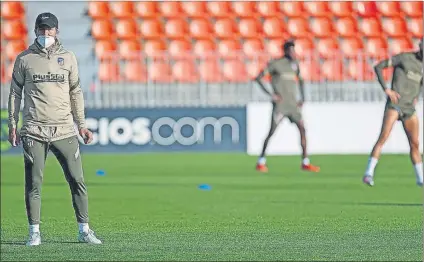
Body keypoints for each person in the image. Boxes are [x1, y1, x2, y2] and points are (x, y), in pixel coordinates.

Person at [7, 12, 102, 246]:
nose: (45, 33)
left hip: (64, 130)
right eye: (41, 29)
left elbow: (76, 92)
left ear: (57, 31)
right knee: (34, 184)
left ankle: (84, 230)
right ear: (35, 31)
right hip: (33, 130)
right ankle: (34, 232)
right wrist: (12, 124)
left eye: (49, 29)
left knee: (77, 180)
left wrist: (82, 125)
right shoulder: (24, 59)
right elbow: (14, 94)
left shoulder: (68, 58)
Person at [363, 40, 423, 187]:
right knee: (383, 137)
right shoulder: (405, 57)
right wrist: (386, 89)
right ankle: (368, 173)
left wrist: (417, 96)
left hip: (409, 107)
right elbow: (379, 66)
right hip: (395, 104)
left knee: (415, 143)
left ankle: (420, 179)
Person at [254, 40, 320, 173]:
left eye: (294, 50)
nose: (293, 53)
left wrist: (302, 98)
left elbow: (301, 81)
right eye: (291, 50)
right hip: (281, 105)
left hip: (293, 105)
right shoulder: (276, 64)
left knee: (302, 129)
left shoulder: (294, 65)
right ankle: (261, 161)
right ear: (285, 51)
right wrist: (271, 94)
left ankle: (305, 162)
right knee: (272, 132)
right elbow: (258, 78)